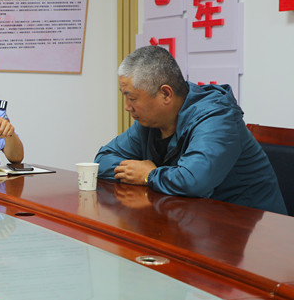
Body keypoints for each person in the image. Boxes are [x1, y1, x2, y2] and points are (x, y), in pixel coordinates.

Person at [95, 45, 286, 214]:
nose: (127, 107)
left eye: (132, 98)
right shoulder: (149, 123)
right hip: (195, 221)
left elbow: (194, 181)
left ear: (166, 94)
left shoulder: (217, 118)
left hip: (252, 229)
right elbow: (103, 159)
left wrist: (148, 175)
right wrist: (134, 171)